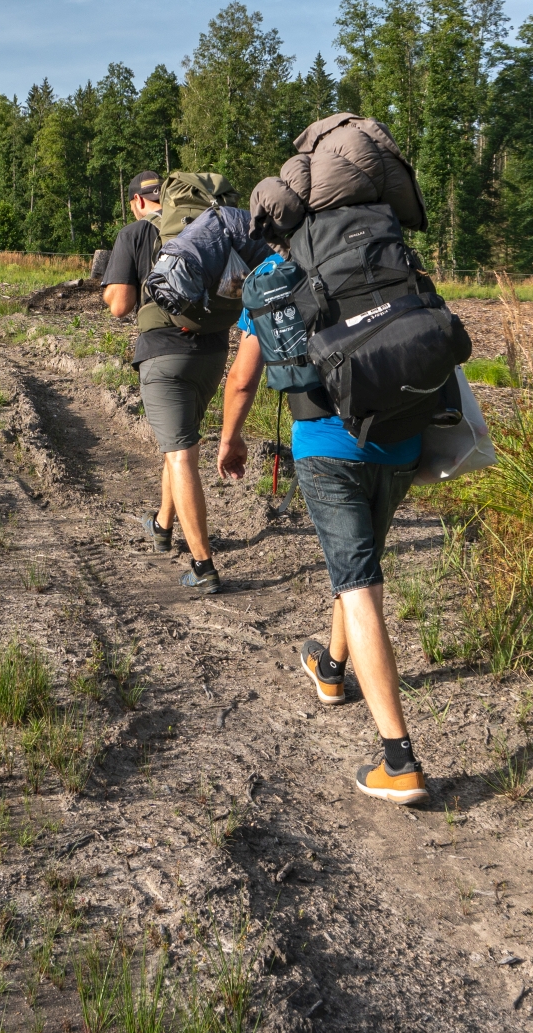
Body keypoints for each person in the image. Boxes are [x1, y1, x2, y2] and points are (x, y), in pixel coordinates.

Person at [215, 250, 430, 805]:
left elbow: (242, 379)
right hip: (402, 442)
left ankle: (399, 760)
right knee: (357, 560)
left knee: (357, 582)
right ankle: (332, 671)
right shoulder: (377, 254)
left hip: (327, 449)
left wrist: (229, 438)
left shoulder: (273, 276)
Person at [101, 171, 231, 593]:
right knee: (179, 444)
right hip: (212, 354)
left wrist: (106, 287)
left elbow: (120, 305)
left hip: (164, 356)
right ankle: (161, 525)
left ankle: (203, 566)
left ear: (138, 202)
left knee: (180, 457)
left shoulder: (136, 233)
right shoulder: (204, 226)